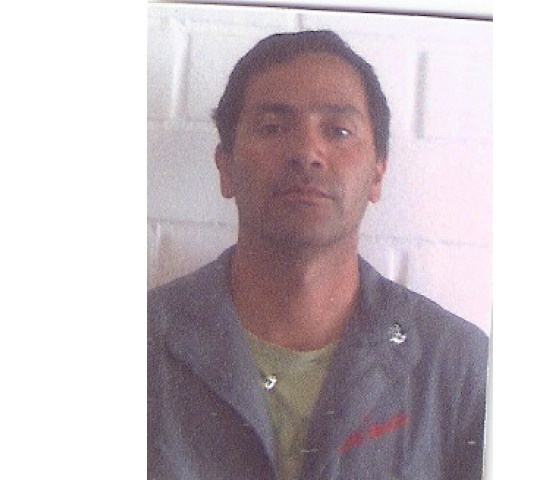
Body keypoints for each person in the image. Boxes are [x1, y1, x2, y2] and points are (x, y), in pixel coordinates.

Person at [148, 30, 488, 480]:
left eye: (339, 131)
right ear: (225, 167)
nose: (307, 152)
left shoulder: (460, 369)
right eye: (273, 127)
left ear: (377, 174)